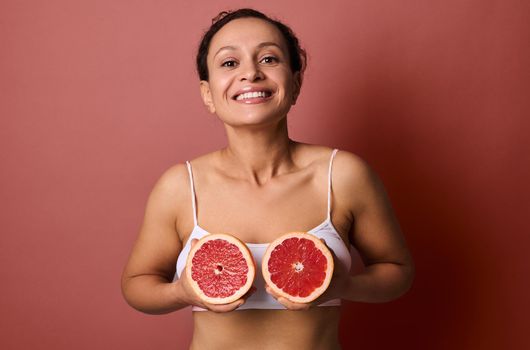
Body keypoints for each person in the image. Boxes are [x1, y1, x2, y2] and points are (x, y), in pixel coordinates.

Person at [121, 8, 414, 349]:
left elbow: (398, 271)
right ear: (207, 93)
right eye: (229, 63)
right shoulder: (180, 186)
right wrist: (181, 290)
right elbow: (136, 284)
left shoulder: (343, 176)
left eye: (269, 59)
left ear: (295, 82)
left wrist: (342, 285)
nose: (250, 73)